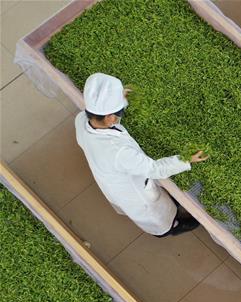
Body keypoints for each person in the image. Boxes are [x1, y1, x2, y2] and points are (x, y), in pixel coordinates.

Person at [74, 72, 208, 237]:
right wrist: (186, 159)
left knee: (162, 201)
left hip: (112, 181)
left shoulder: (81, 120)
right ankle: (173, 227)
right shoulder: (119, 152)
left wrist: (120, 99)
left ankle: (172, 216)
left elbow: (107, 121)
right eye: (119, 113)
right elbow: (155, 169)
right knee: (160, 219)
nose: (119, 116)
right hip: (137, 198)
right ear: (109, 118)